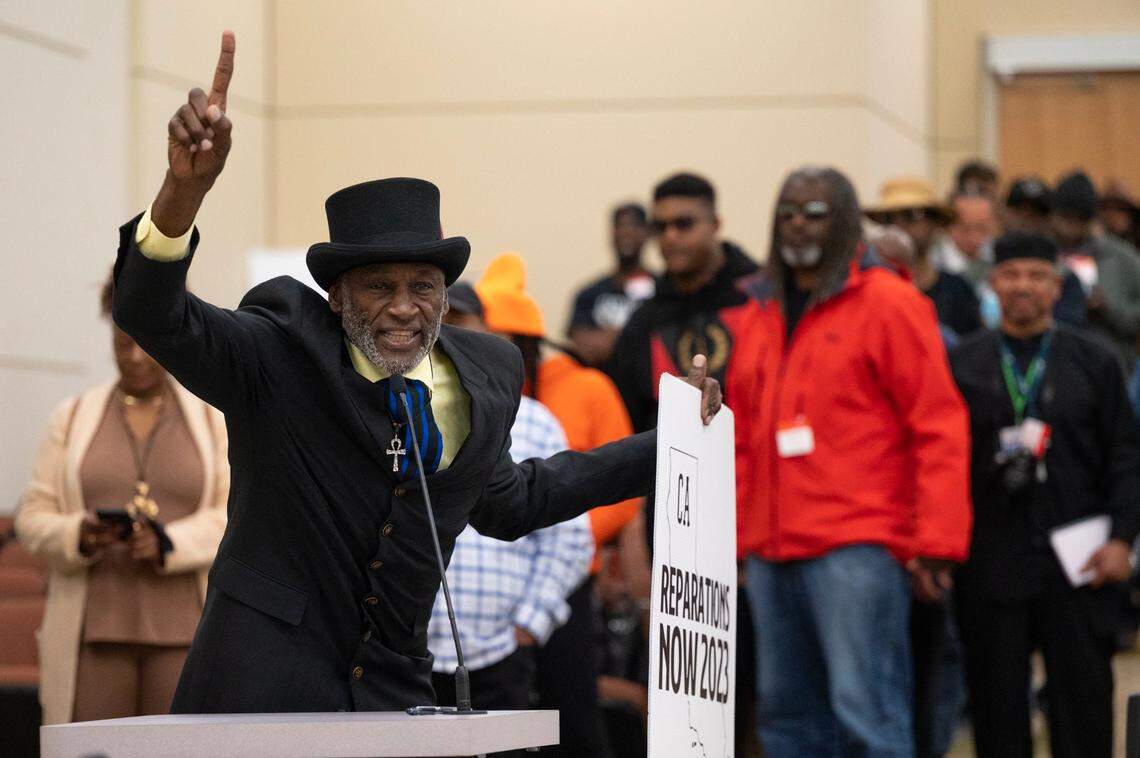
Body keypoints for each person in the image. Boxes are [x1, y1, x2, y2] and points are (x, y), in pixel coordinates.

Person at [111, 32, 722, 714]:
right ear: (337, 295)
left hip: (396, 690)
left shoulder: (483, 376)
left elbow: (515, 501)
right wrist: (181, 193)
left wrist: (667, 439)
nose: (404, 309)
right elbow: (151, 311)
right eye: (378, 287)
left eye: (423, 286)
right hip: (261, 681)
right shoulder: (277, 351)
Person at [730, 166, 972, 757]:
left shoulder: (890, 302)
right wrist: (733, 540)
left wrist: (936, 541)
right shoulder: (757, 310)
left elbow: (937, 423)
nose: (797, 223)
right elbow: (739, 437)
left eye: (815, 212)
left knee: (867, 716)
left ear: (846, 221)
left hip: (857, 546)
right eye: (788, 211)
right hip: (769, 550)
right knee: (785, 720)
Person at [949, 232, 1140, 758]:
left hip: (1079, 561)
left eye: (1036, 276)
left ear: (1057, 287)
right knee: (996, 708)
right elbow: (943, 461)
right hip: (990, 559)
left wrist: (1123, 539)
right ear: (992, 285)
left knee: (1083, 706)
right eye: (1011, 275)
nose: (1023, 287)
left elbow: (1125, 457)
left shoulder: (1095, 361)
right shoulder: (963, 364)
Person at [15, 276, 228, 724]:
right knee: (93, 749)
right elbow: (32, 517)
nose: (134, 357)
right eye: (122, 342)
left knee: (179, 754)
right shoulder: (71, 418)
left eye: (146, 344)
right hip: (93, 632)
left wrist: (169, 542)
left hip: (185, 633)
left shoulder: (212, 418)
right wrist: (80, 534)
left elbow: (235, 515)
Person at [476, 253, 645, 757]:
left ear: (522, 343)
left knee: (572, 712)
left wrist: (557, 529)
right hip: (500, 585)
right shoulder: (473, 401)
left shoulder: (587, 388)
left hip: (572, 577)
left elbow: (621, 487)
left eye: (493, 340)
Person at [429, 283, 594, 727]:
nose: (447, 334)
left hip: (501, 652)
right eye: (439, 324)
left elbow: (568, 539)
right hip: (409, 656)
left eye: (460, 323)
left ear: (487, 333)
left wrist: (529, 623)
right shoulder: (397, 414)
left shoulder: (536, 421)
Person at [609, 172, 758, 434]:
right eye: (660, 227)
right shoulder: (643, 323)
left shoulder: (760, 299)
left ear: (715, 224)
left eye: (684, 224)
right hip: (672, 470)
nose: (670, 237)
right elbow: (628, 422)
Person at [865, 176, 982, 338]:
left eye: (910, 215)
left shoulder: (958, 291)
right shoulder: (868, 290)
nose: (898, 225)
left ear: (936, 223)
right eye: (888, 218)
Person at [1050, 170, 1140, 371]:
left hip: (1112, 365)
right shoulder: (1041, 255)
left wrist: (1108, 308)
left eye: (1080, 218)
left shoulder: (1121, 257)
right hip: (1052, 365)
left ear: (1092, 219)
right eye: (1066, 216)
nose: (1071, 226)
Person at [566, 203, 655, 369]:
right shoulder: (589, 293)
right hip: (601, 389)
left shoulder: (663, 290)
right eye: (619, 225)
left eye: (634, 225)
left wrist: (610, 337)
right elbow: (584, 348)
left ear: (647, 232)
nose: (625, 232)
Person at [1004, 176, 1087, 328]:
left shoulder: (1066, 276)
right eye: (1019, 212)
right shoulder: (981, 263)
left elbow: (1069, 326)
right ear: (1005, 214)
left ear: (1050, 220)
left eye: (1036, 214)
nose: (1026, 220)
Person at [1101, 180, 1140, 250]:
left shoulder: (1136, 240)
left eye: (1120, 209)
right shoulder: (1098, 242)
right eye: (1107, 209)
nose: (1113, 215)